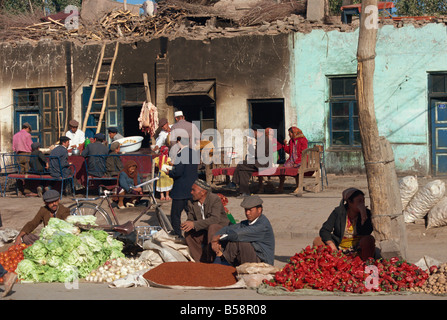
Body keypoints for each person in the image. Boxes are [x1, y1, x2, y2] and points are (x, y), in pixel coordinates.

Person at [313, 188, 375, 261]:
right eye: (359, 201)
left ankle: (366, 264)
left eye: (363, 201)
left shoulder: (366, 213)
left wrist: (364, 218)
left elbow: (367, 232)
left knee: (369, 239)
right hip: (339, 247)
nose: (362, 204)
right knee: (317, 240)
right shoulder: (338, 212)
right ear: (349, 202)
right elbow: (324, 230)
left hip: (357, 248)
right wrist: (331, 245)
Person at [211, 195, 275, 267]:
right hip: (251, 256)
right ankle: (221, 259)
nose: (247, 213)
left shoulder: (262, 225)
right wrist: (216, 236)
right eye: (246, 210)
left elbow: (237, 234)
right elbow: (229, 228)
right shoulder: (247, 222)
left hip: (262, 260)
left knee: (238, 239)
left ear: (259, 210)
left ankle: (222, 260)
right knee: (226, 233)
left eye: (250, 210)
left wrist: (218, 238)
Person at [182, 179, 230, 263]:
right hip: (204, 230)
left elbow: (215, 219)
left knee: (213, 227)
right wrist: (187, 224)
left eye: (194, 190)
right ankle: (200, 261)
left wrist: (194, 224)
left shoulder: (214, 199)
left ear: (203, 192)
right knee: (188, 234)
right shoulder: (191, 202)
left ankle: (211, 259)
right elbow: (191, 218)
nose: (191, 192)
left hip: (219, 229)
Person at [226, 124, 270, 198]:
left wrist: (250, 146)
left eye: (253, 132)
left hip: (262, 163)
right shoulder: (261, 139)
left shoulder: (264, 140)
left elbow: (257, 154)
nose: (253, 134)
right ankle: (245, 193)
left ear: (257, 132)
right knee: (243, 171)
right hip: (258, 162)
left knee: (241, 164)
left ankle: (234, 182)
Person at [167, 136, 199, 237]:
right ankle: (195, 234)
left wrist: (170, 172)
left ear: (179, 142)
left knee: (175, 215)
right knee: (191, 213)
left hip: (180, 190)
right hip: (191, 188)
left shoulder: (181, 153)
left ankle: (178, 235)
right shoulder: (193, 153)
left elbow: (178, 172)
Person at [277, 126, 308, 193]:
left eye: (290, 133)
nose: (289, 135)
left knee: (297, 171)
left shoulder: (303, 140)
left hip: (301, 160)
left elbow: (303, 153)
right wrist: (285, 145)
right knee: (282, 170)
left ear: (294, 133)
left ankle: (298, 187)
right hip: (292, 160)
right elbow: (289, 151)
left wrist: (297, 162)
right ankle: (280, 187)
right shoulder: (291, 141)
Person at [12, 122, 33, 196]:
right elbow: (30, 146)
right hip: (27, 154)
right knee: (27, 172)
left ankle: (20, 190)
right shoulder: (27, 135)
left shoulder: (15, 135)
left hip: (19, 155)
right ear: (27, 128)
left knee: (20, 172)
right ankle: (26, 189)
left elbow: (13, 147)